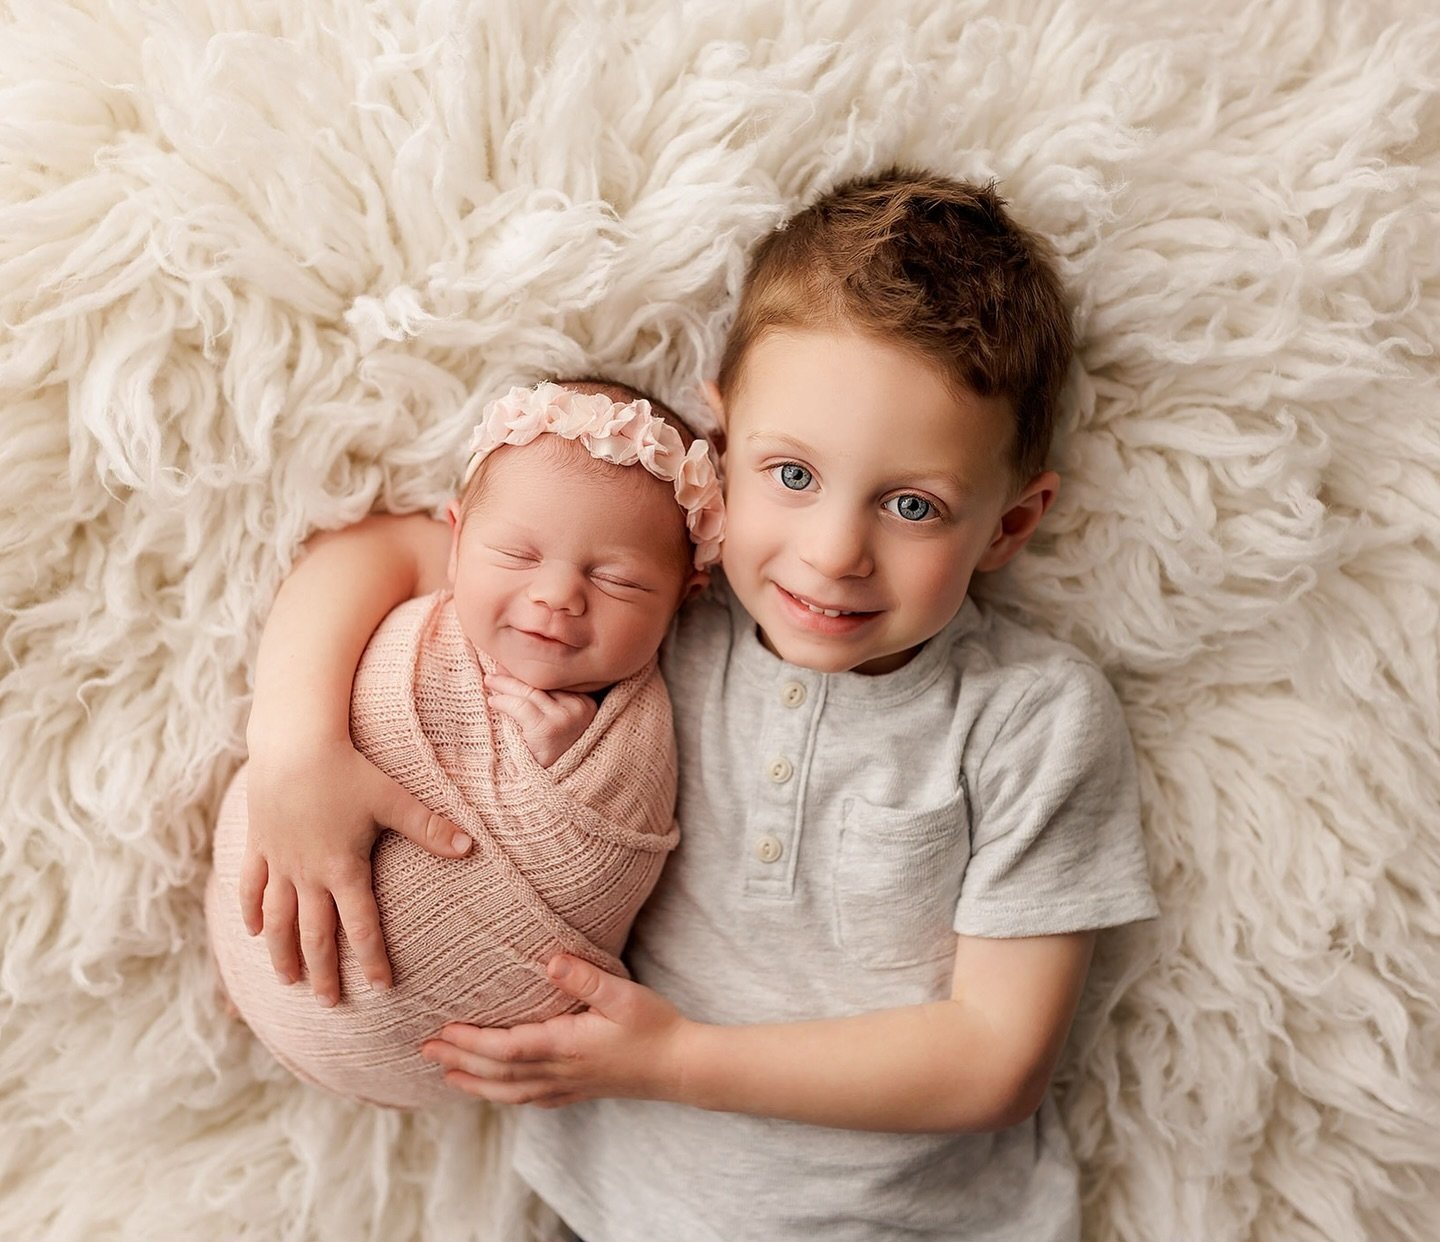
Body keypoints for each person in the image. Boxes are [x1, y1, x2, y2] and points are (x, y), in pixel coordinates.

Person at [239, 170, 1159, 1239]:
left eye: (913, 505)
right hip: (608, 1204)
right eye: (794, 476)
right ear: (720, 453)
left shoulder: (1030, 720)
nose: (833, 554)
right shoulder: (663, 611)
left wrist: (675, 1058)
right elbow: (385, 551)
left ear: (1008, 524)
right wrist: (294, 750)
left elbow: (994, 1059)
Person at [206, 379, 722, 1107]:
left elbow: (606, 864)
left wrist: (570, 766)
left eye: (616, 579)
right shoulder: (430, 582)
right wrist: (297, 752)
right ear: (456, 539)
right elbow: (354, 556)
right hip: (265, 888)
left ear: (684, 597)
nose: (558, 596)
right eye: (515, 553)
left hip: (444, 1059)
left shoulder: (635, 737)